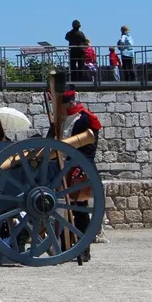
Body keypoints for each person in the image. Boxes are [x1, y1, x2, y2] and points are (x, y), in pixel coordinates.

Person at [58, 88, 102, 261]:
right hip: (62, 169)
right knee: (62, 209)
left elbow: (88, 150)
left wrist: (76, 166)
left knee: (79, 210)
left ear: (68, 104)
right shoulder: (61, 120)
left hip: (78, 169)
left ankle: (83, 250)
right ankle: (66, 247)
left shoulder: (84, 119)